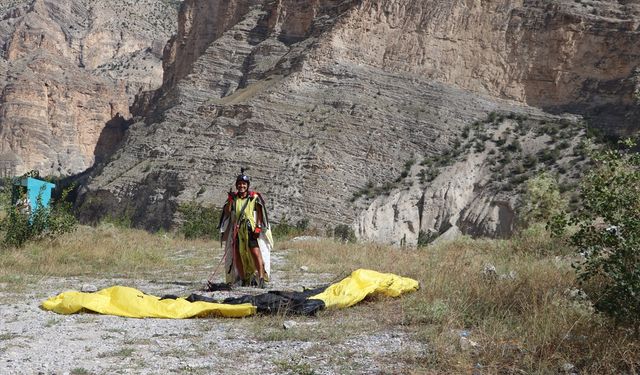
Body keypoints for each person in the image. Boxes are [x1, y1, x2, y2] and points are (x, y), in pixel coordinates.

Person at [219, 169, 272, 288]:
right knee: (237, 253)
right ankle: (243, 279)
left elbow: (259, 212)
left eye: (244, 184)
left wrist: (258, 227)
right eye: (239, 184)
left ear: (247, 186)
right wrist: (230, 201)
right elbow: (227, 213)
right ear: (236, 185)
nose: (241, 186)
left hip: (250, 229)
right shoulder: (233, 199)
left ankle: (261, 278)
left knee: (255, 252)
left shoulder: (254, 197)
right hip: (237, 230)